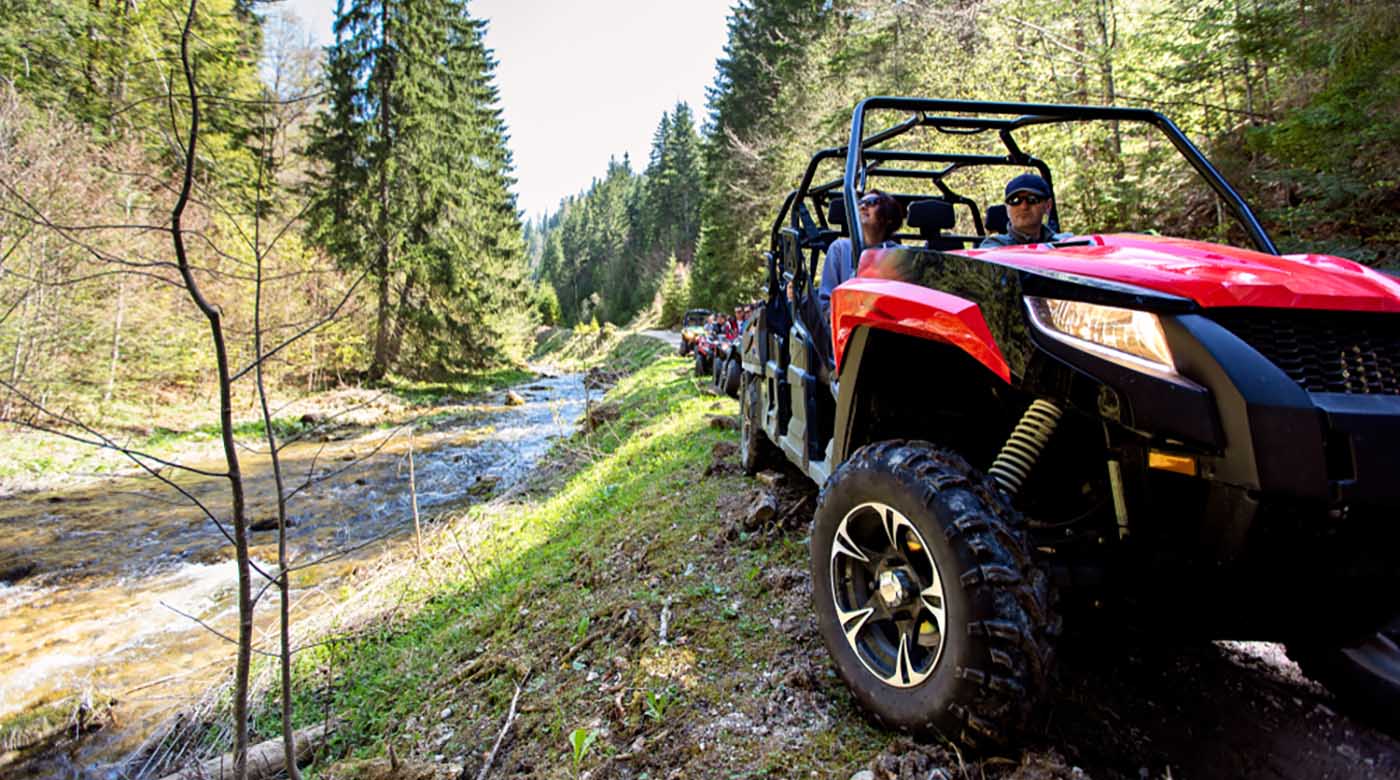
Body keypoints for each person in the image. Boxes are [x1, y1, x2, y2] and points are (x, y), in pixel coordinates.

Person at [819, 190, 906, 319]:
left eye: (871, 203)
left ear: (888, 218)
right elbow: (825, 304)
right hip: (847, 326)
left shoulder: (900, 255)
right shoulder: (840, 249)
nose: (863, 206)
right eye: (860, 203)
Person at [980, 173, 1071, 248]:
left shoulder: (1066, 243)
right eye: (1015, 201)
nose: (1024, 206)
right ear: (1007, 208)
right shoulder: (994, 247)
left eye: (1032, 199)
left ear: (1048, 206)